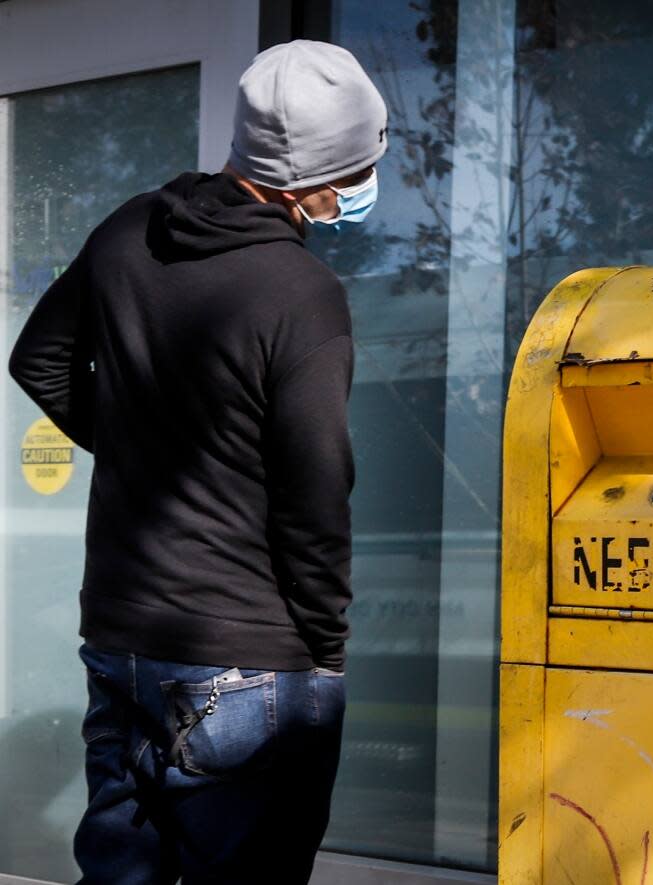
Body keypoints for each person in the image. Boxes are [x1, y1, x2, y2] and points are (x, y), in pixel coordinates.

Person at [8, 40, 386, 884]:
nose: (362, 186)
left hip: (120, 634)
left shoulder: (129, 230)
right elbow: (316, 495)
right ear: (316, 182)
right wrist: (325, 650)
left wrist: (149, 449)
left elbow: (36, 360)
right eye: (359, 167)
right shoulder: (302, 294)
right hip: (251, 658)